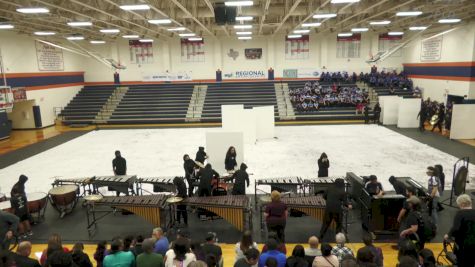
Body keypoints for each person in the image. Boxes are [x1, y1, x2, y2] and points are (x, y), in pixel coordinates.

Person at [444, 194, 475, 267]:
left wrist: (448, 235)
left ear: (463, 204)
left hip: (464, 247)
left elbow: (455, 229)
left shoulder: (460, 213)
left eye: (459, 205)